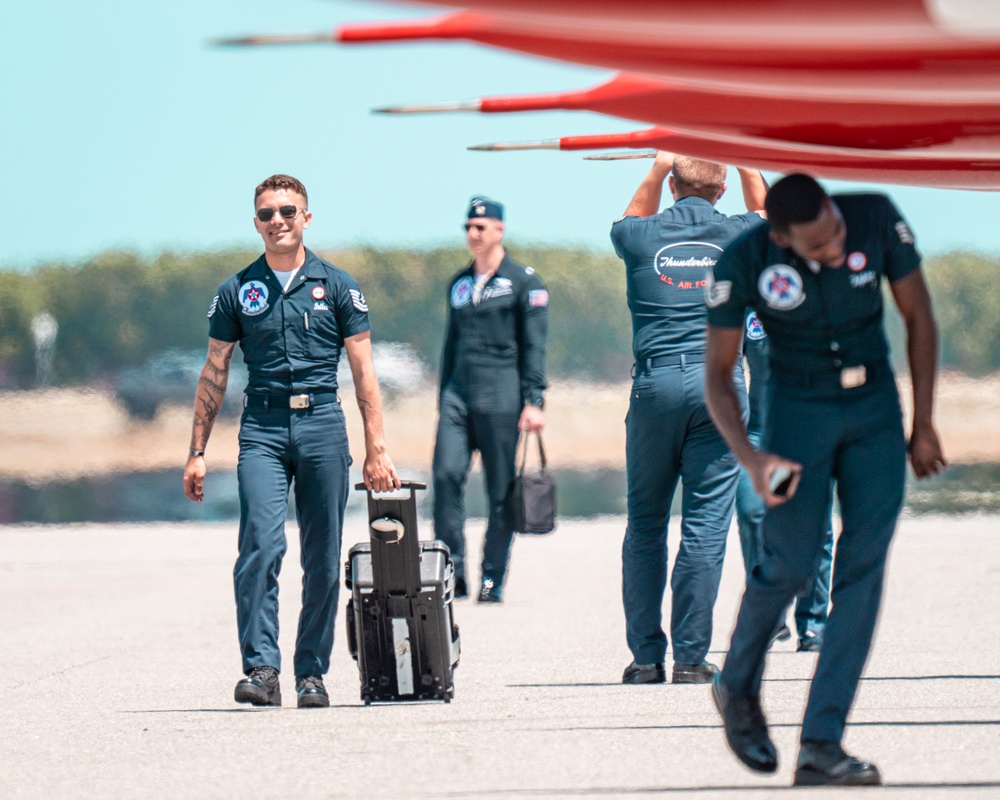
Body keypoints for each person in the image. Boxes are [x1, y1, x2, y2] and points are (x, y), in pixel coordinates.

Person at [704, 173, 946, 785]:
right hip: (796, 413)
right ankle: (736, 682)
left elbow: (919, 317)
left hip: (874, 414)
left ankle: (821, 743)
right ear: (782, 239)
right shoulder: (743, 260)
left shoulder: (875, 216)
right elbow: (717, 374)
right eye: (816, 247)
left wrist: (923, 423)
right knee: (788, 563)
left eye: (835, 233)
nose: (834, 250)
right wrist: (753, 460)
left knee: (861, 576)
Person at [182, 174, 400, 709]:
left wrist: (376, 447)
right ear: (255, 223)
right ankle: (261, 668)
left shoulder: (339, 286)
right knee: (260, 544)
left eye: (287, 211)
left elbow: (364, 371)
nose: (277, 221)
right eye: (266, 214)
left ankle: (311, 673)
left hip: (324, 424)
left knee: (323, 557)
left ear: (306, 217)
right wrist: (196, 453)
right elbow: (214, 371)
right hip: (261, 429)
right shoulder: (237, 290)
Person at [609, 152, 767, 685]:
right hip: (720, 386)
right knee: (704, 527)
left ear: (672, 186)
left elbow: (629, 218)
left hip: (656, 385)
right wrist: (746, 157)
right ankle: (691, 658)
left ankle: (646, 658)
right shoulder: (742, 234)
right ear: (722, 193)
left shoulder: (639, 237)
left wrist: (656, 166)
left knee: (646, 523)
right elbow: (766, 211)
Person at [432, 196, 548, 604]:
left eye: (480, 227)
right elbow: (450, 344)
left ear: (499, 229)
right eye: (468, 227)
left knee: (501, 492)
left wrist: (535, 400)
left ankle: (491, 578)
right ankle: (453, 574)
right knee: (446, 478)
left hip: (502, 397)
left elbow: (535, 346)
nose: (472, 234)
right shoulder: (459, 284)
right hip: (458, 398)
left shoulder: (524, 282)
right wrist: (443, 395)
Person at [737, 310, 833, 653]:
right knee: (752, 514)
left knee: (817, 527)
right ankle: (770, 617)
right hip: (761, 435)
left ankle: (814, 625)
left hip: (809, 431)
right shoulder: (748, 309)